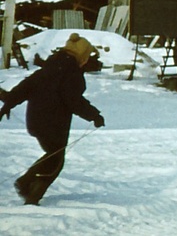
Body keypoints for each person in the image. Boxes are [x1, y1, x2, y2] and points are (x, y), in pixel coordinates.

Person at [0, 33, 105, 205]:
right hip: (53, 124)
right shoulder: (72, 73)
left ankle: (27, 186)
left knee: (53, 156)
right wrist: (94, 115)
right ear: (81, 56)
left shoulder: (50, 67)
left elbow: (26, 87)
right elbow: (74, 101)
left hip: (35, 120)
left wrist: (9, 101)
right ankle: (29, 192)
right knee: (55, 160)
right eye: (86, 57)